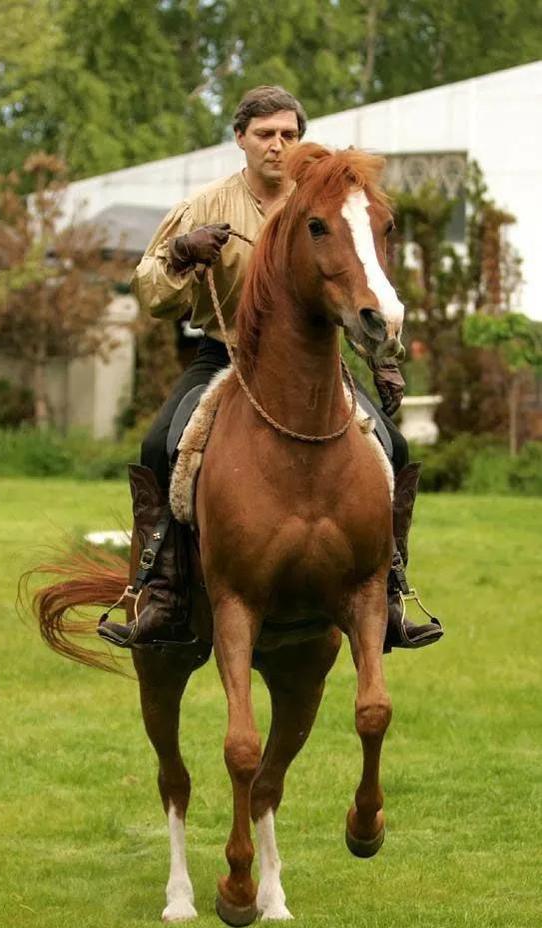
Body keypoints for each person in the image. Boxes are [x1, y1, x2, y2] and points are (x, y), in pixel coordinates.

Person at [98, 85, 443, 652]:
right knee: (159, 442)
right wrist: (182, 253)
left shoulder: (325, 205)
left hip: (316, 364)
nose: (277, 145)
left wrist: (381, 358)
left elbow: (354, 286)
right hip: (224, 355)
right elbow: (150, 292)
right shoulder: (205, 205)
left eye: (288, 134)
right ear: (240, 139)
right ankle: (160, 591)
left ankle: (391, 591)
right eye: (264, 134)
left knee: (395, 446)